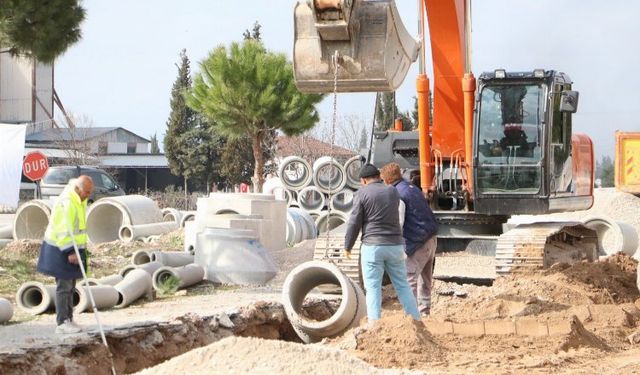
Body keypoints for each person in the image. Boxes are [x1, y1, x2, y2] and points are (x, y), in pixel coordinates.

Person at [344, 163, 420, 322]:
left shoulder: (361, 193)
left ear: (364, 180)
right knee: (402, 285)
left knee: (372, 288)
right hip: (395, 246)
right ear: (379, 176)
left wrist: (348, 246)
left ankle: (374, 325)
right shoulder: (392, 191)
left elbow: (354, 222)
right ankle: (416, 320)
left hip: (373, 246)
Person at [37, 175, 94, 334]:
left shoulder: (79, 200)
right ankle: (62, 322)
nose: (88, 195)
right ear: (79, 188)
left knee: (71, 285)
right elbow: (63, 230)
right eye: (87, 192)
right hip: (60, 249)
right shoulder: (67, 202)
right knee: (64, 286)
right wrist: (70, 251)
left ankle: (69, 318)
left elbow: (77, 228)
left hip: (73, 249)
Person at [381, 162, 438, 316]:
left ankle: (411, 316)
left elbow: (398, 222)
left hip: (417, 241)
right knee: (425, 279)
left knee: (409, 279)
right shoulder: (413, 188)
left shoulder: (397, 194)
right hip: (431, 237)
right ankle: (424, 311)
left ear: (386, 180)